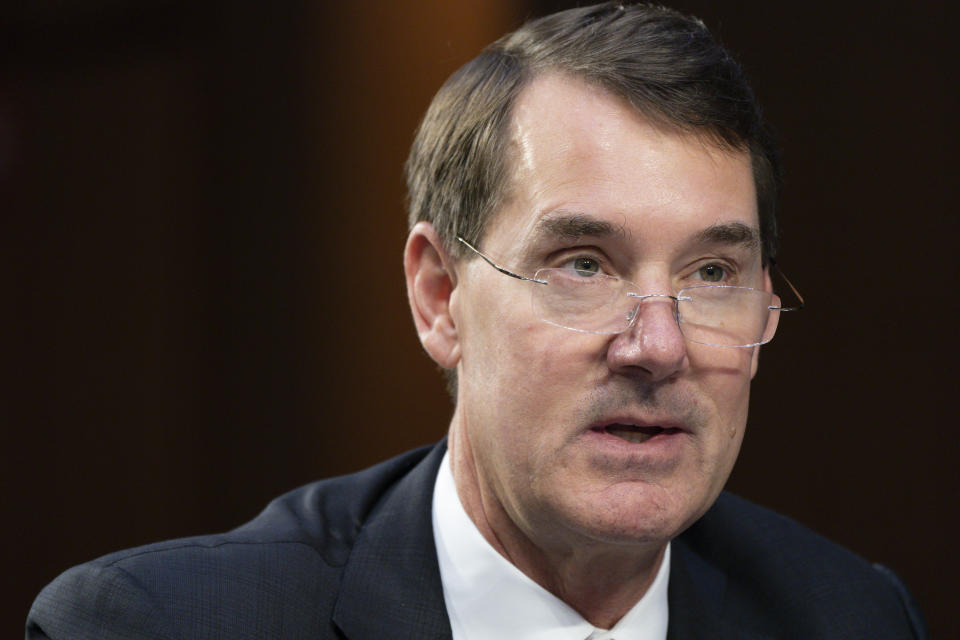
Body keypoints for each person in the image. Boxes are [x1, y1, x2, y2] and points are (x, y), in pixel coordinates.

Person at [27, 3, 927, 639]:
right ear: (439, 297)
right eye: (583, 264)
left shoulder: (846, 615)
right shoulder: (164, 625)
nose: (659, 346)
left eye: (713, 271)